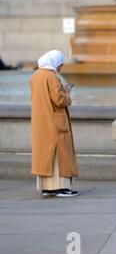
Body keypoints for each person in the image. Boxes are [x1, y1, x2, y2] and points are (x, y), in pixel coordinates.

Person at [30, 50, 79, 197]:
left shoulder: (35, 76)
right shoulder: (52, 77)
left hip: (41, 122)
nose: (60, 68)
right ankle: (60, 188)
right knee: (59, 154)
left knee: (45, 155)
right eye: (60, 65)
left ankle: (46, 187)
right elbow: (59, 100)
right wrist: (67, 93)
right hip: (54, 123)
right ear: (54, 62)